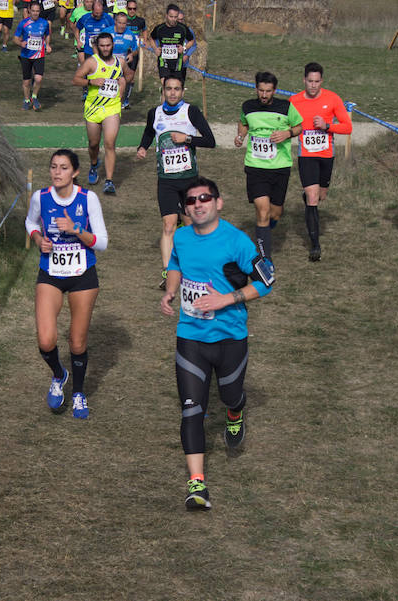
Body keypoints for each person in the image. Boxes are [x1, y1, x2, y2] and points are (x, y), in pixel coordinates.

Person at [159, 177, 274, 511]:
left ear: (218, 203)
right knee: (191, 409)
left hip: (230, 339)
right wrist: (170, 290)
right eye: (191, 200)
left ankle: (235, 410)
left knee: (229, 394)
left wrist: (226, 299)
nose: (198, 204)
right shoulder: (180, 236)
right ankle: (197, 484)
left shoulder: (237, 242)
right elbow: (176, 265)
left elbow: (267, 281)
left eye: (204, 198)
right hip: (191, 337)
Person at [25, 150, 108, 419]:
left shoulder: (88, 199)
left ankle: (79, 393)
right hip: (50, 271)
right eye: (53, 167)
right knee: (46, 339)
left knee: (76, 341)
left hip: (83, 273)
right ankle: (59, 375)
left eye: (63, 168)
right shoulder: (41, 197)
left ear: (74, 172)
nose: (56, 172)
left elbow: (103, 242)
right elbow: (30, 222)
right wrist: (39, 240)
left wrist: (76, 230)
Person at [137, 76, 216, 289]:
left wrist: (187, 139)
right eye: (169, 89)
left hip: (189, 181)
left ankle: (192, 269)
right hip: (166, 181)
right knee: (168, 225)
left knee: (190, 226)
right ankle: (167, 272)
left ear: (183, 91)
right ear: (163, 90)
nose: (172, 93)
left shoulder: (191, 112)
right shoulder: (155, 113)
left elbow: (210, 141)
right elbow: (148, 132)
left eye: (177, 89)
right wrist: (143, 147)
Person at [234, 71, 302, 262]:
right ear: (256, 89)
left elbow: (299, 126)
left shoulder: (286, 107)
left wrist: (287, 133)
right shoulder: (248, 106)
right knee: (262, 210)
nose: (264, 95)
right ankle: (265, 259)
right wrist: (241, 135)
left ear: (275, 90)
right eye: (261, 91)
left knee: (275, 213)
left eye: (268, 91)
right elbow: (243, 123)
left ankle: (263, 232)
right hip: (255, 166)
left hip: (280, 167)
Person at [289, 62, 353, 261]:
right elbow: (284, 123)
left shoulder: (332, 99)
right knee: (313, 197)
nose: (313, 85)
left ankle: (310, 198)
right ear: (304, 80)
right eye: (310, 81)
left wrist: (327, 126)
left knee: (320, 196)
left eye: (317, 82)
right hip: (306, 155)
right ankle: (315, 245)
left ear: (321, 81)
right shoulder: (294, 101)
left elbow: (347, 127)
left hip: (326, 155)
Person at [73, 31, 125, 195]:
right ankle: (94, 164)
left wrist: (122, 85)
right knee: (93, 144)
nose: (105, 48)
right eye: (102, 45)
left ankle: (109, 181)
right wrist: (91, 81)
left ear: (112, 46)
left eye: (108, 45)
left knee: (109, 143)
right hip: (93, 108)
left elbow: (128, 75)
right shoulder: (91, 62)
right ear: (97, 46)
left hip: (112, 108)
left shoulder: (120, 62)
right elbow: (75, 79)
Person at [13, 1, 52, 111]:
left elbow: (47, 35)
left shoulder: (44, 23)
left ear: (40, 11)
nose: (35, 13)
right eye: (33, 11)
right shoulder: (23, 23)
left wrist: (48, 45)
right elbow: (15, 38)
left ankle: (34, 97)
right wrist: (20, 43)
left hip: (39, 54)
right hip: (26, 55)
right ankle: (26, 100)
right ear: (29, 11)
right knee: (26, 81)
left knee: (38, 79)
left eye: (37, 11)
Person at [149, 3, 194, 86]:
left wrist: (184, 48)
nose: (173, 19)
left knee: (175, 88)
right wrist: (155, 48)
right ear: (166, 15)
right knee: (165, 86)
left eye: (175, 17)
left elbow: (192, 41)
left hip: (178, 62)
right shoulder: (160, 28)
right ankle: (163, 93)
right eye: (171, 16)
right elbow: (151, 38)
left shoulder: (182, 28)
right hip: (163, 61)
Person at [105, 12, 139, 109]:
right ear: (115, 22)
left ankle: (121, 101)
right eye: (120, 23)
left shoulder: (130, 34)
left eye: (124, 23)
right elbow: (97, 45)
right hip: (107, 63)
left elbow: (136, 49)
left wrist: (132, 54)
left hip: (122, 64)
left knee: (126, 79)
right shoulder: (107, 32)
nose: (122, 26)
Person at [123, 0, 148, 106]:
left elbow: (145, 30)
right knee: (121, 75)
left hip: (134, 51)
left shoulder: (140, 21)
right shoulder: (122, 20)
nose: (132, 11)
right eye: (130, 8)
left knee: (131, 76)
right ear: (126, 8)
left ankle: (125, 99)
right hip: (122, 51)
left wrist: (144, 40)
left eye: (134, 9)